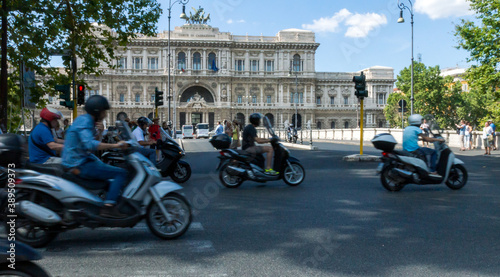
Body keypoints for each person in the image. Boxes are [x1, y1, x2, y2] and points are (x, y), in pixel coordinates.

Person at [62, 95, 129, 218]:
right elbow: (91, 144)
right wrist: (116, 145)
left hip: (82, 160)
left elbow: (92, 141)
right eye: (104, 111)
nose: (105, 114)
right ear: (97, 111)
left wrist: (99, 132)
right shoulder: (85, 120)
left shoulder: (88, 121)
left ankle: (112, 202)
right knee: (121, 173)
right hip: (79, 163)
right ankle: (108, 207)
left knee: (108, 176)